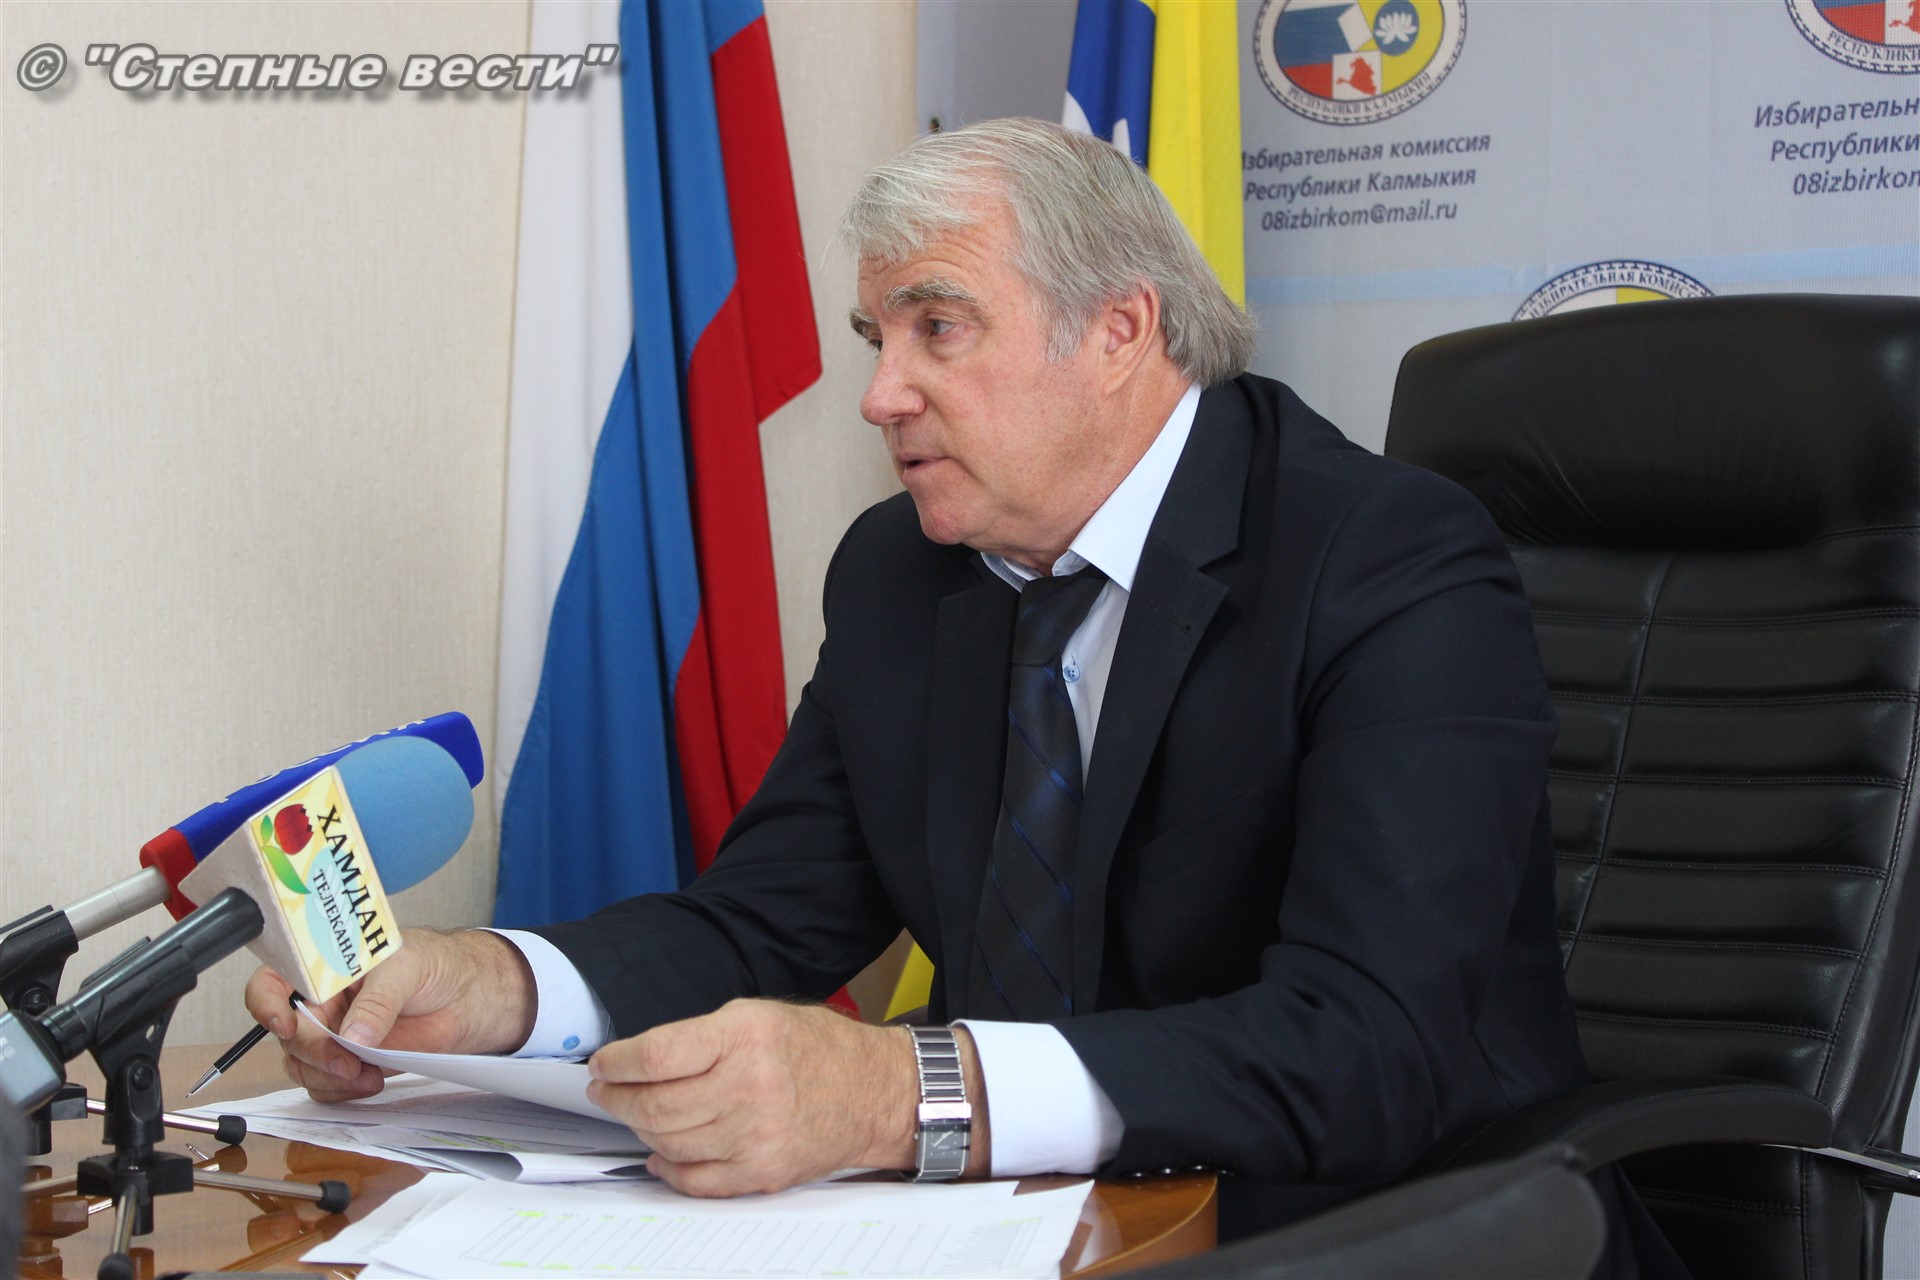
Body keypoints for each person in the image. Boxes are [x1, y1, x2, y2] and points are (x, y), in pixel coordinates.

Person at [248, 117, 1666, 1265]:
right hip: (1028, 1226)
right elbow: (764, 919)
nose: (881, 394)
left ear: (1120, 331)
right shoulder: (904, 571)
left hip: (1397, 1222)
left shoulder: (1387, 558)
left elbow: (1366, 1048)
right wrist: (493, 990)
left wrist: (896, 1094)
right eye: (878, 338)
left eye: (939, 327)